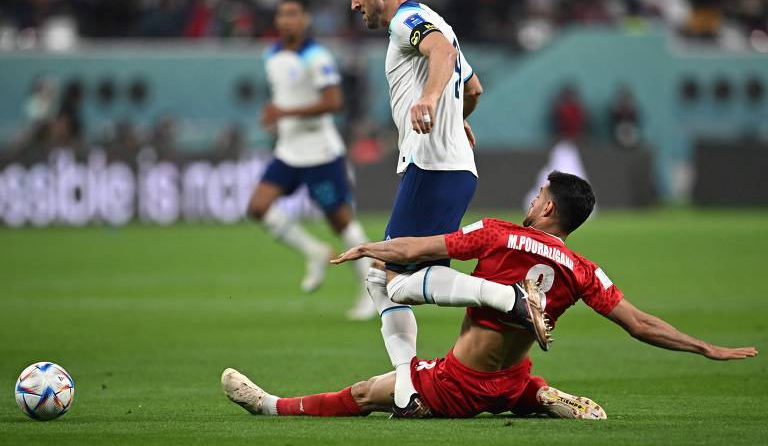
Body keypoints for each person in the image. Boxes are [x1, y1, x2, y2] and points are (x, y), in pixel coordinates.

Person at [221, 171, 757, 419]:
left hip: (464, 384)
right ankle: (536, 396)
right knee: (510, 377)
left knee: (367, 394)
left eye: (540, 194)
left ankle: (271, 407)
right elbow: (641, 324)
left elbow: (424, 245)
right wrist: (705, 348)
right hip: (512, 376)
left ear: (548, 209)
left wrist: (374, 248)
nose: (534, 197)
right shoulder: (585, 270)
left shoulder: (499, 232)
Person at [343, 0, 489, 415]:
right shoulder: (434, 16)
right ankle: (409, 391)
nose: (353, 3)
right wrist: (456, 116)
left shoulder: (407, 21)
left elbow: (440, 53)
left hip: (432, 166)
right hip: (450, 166)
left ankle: (507, 298)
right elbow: (473, 88)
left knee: (388, 280)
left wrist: (428, 101)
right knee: (385, 278)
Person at [248, 0, 375, 320]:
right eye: (282, 14)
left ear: (305, 19)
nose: (286, 20)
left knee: (341, 222)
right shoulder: (272, 54)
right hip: (289, 152)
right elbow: (284, 96)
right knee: (258, 207)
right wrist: (277, 114)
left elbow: (334, 102)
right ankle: (315, 252)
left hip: (320, 154)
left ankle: (371, 290)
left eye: (293, 14)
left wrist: (284, 112)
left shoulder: (317, 57)